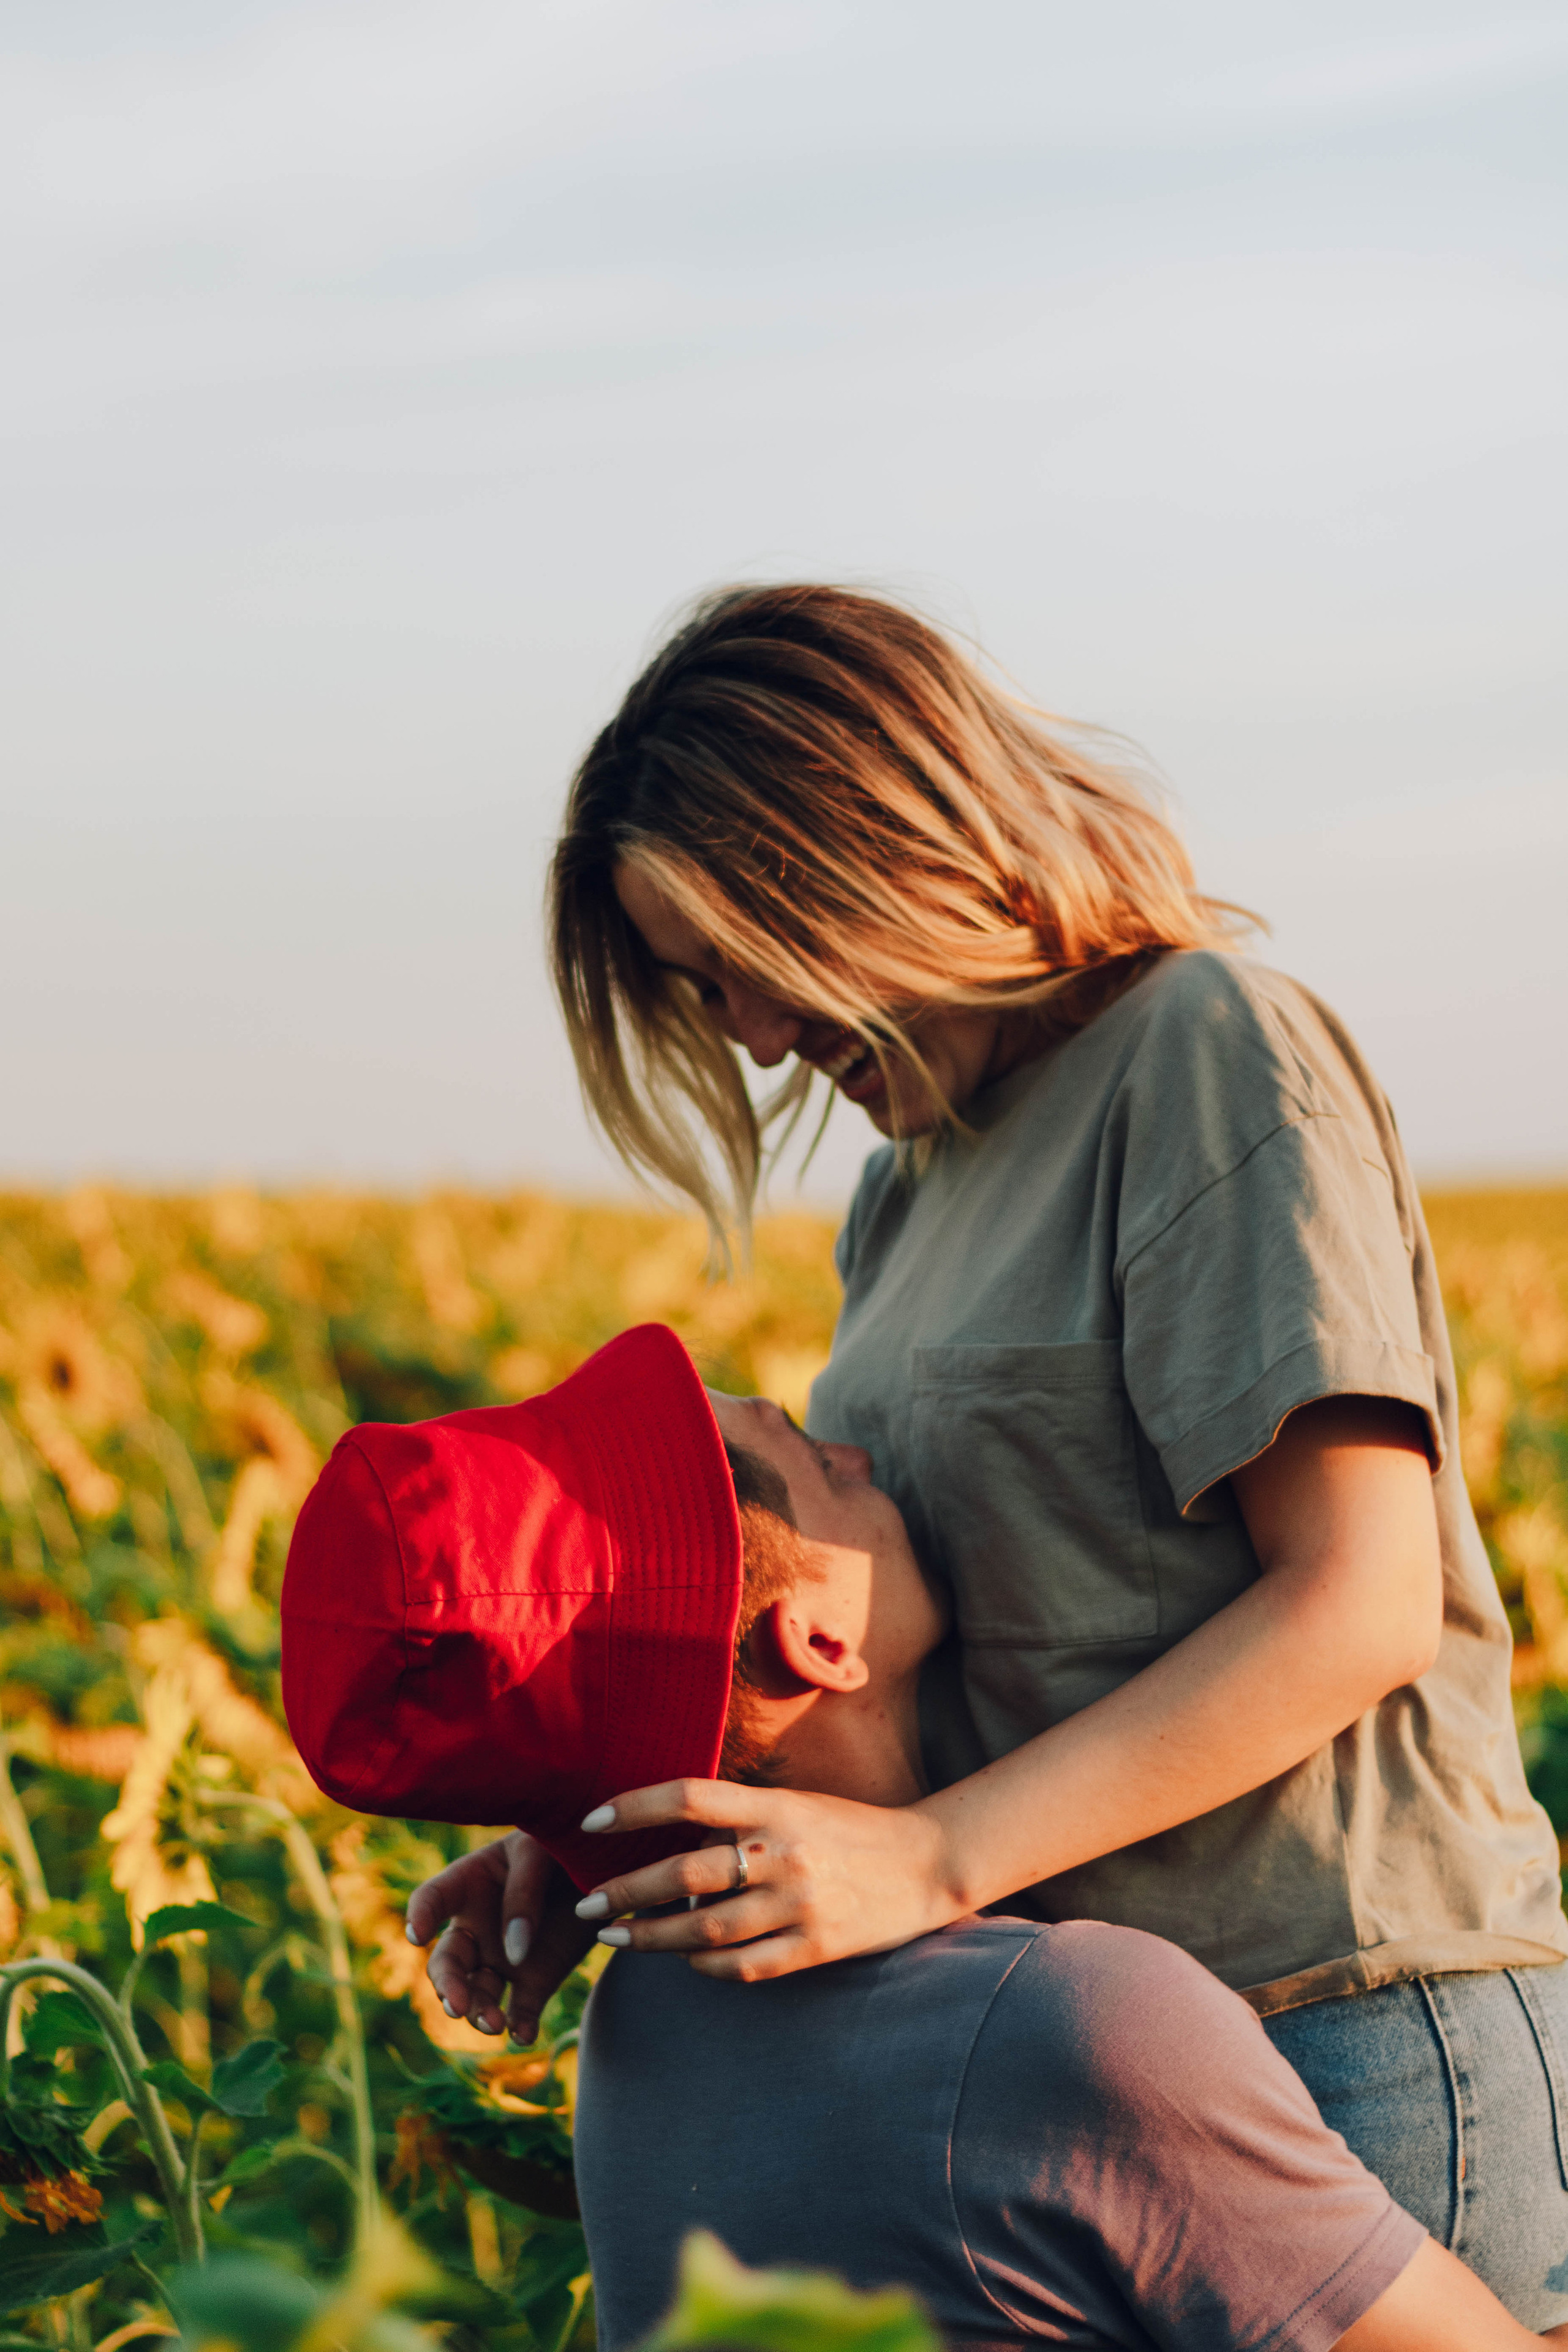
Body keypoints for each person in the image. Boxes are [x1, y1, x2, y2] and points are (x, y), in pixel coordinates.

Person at [412, 582, 1568, 2315]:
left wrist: (936, 1864)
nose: (746, 1033)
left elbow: (1362, 1600)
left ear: (862, 851)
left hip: (1339, 2011)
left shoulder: (1203, 1052)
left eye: (738, 963)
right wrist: (610, 1841)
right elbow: (900, 1664)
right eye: (695, 987)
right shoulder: (907, 1188)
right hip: (1105, 2075)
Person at [281, 1324, 1560, 2349]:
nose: (863, 1455)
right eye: (809, 1456)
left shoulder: (642, 2032)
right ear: (818, 1641)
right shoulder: (1071, 2029)